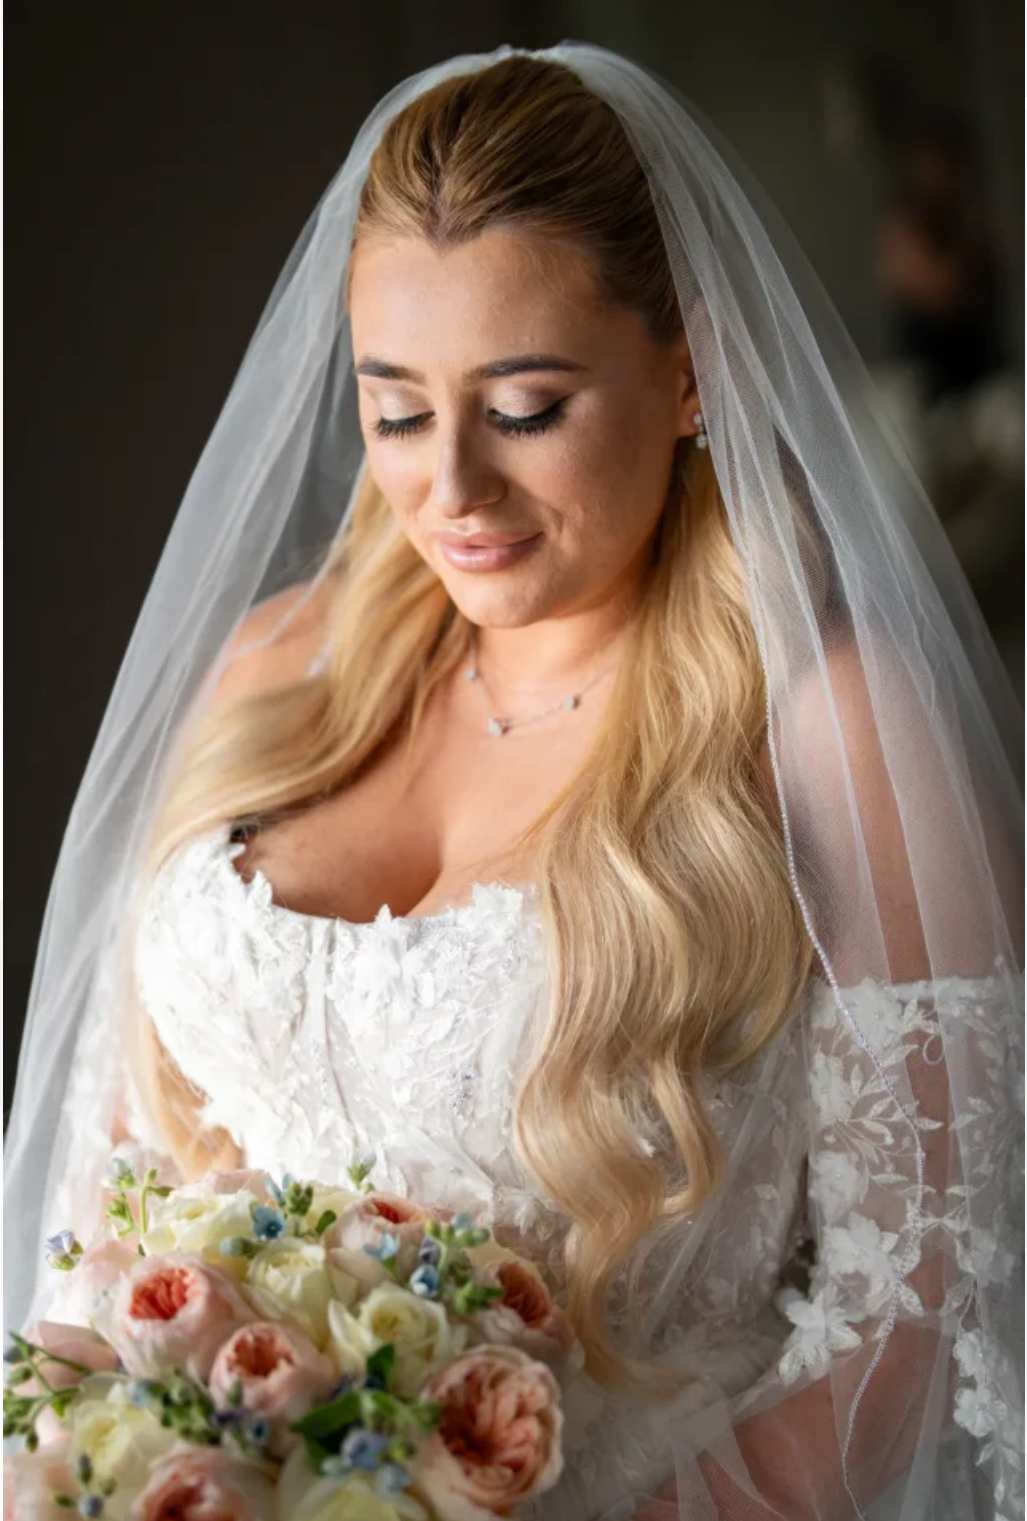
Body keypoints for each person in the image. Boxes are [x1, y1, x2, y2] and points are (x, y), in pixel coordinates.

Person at [4, 42, 1023, 1521]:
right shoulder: (275, 668)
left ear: (691, 370)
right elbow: (108, 1205)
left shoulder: (834, 726)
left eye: (527, 407)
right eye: (398, 412)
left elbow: (925, 1306)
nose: (453, 490)